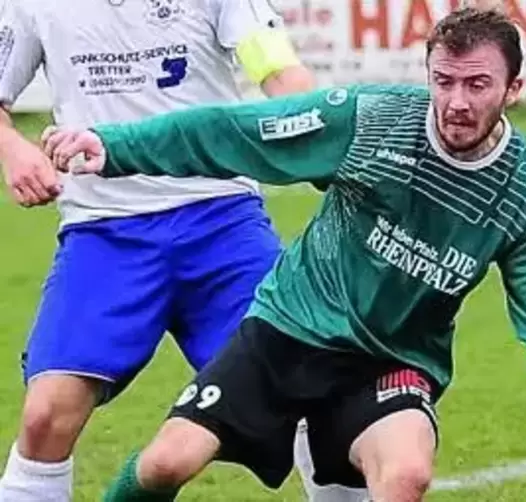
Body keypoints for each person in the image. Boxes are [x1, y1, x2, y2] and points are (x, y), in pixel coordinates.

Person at [42, 8, 526, 502]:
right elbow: (237, 132)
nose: (456, 102)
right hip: (287, 329)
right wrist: (114, 148)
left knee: (407, 475)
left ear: (513, 89)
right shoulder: (371, 119)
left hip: (390, 360)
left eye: (477, 85)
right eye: (443, 81)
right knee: (167, 463)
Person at [0, 0, 364, 501]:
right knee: (46, 414)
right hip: (104, 233)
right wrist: (12, 147)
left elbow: (278, 69)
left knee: (312, 393)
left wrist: (329, 137)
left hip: (220, 220)